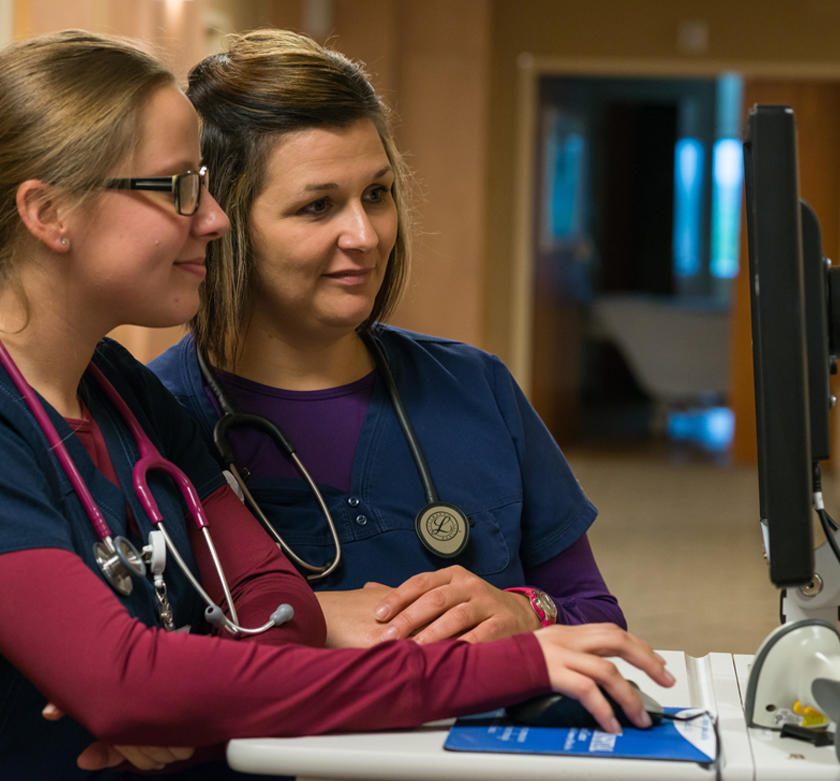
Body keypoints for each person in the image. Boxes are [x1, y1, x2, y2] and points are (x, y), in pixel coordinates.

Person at [0, 29, 672, 781]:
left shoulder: (118, 387)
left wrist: (177, 688)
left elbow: (274, 610)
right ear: (48, 213)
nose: (212, 219)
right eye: (181, 187)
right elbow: (125, 678)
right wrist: (504, 665)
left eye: (378, 194)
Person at [150, 29, 625, 650]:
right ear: (224, 221)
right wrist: (311, 621)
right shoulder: (152, 417)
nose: (366, 236)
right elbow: (145, 659)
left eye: (376, 195)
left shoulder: (475, 387)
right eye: (318, 207)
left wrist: (525, 610)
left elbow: (598, 617)